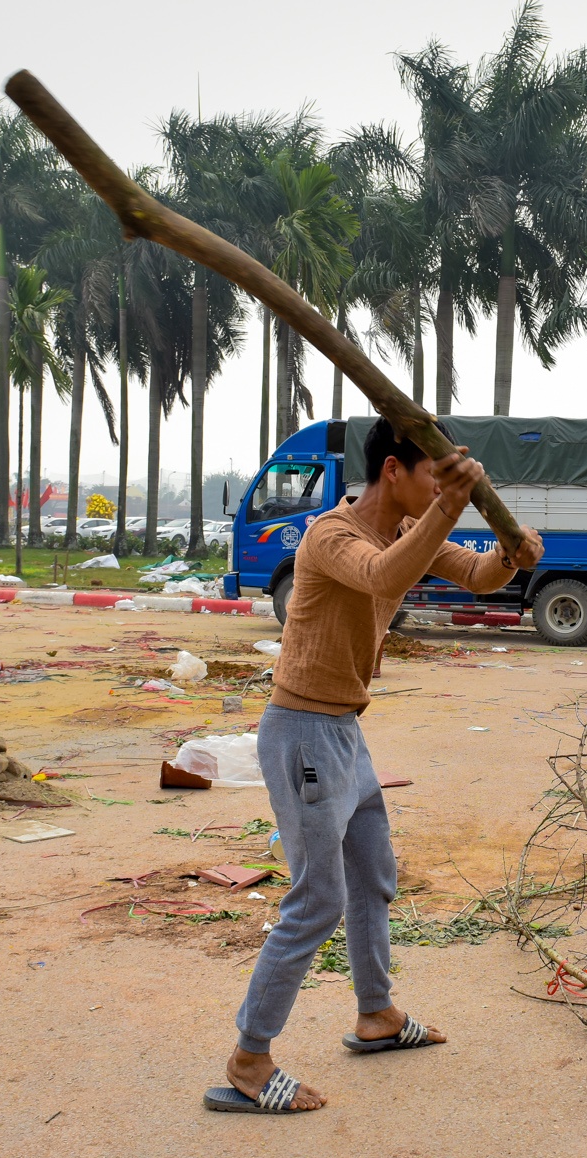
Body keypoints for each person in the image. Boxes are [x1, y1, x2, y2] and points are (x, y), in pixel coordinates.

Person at [204, 419, 543, 1114]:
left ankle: (377, 1013)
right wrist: (453, 502)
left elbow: (477, 575)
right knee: (317, 900)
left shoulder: (405, 530)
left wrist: (512, 555)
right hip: (302, 732)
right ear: (394, 470)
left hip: (343, 732)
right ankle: (249, 1059)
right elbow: (383, 574)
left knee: (372, 873)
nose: (439, 493)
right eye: (431, 478)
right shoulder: (333, 536)